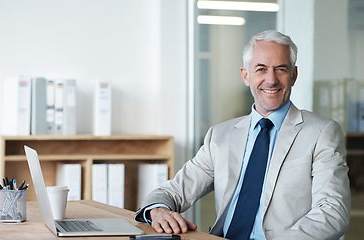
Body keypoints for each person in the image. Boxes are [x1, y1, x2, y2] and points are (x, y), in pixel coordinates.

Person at [135, 30, 351, 240]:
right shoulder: (220, 135)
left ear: (293, 75)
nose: (271, 80)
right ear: (246, 76)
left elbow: (332, 212)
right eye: (261, 69)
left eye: (281, 69)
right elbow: (174, 191)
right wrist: (159, 210)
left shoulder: (322, 132)